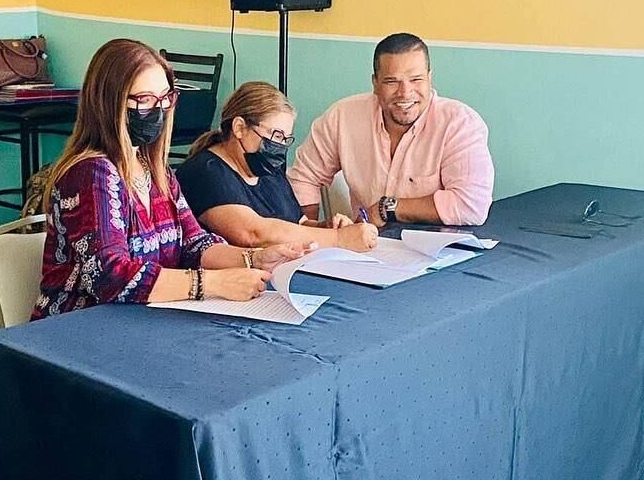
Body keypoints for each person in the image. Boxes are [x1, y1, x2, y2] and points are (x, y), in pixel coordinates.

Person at [32, 40, 313, 320]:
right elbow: (110, 277)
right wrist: (213, 283)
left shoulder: (156, 171)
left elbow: (194, 245)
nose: (159, 110)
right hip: (78, 327)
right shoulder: (92, 173)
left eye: (165, 98)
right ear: (109, 103)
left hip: (143, 321)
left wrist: (253, 258)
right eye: (145, 99)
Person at [288, 33, 495, 227]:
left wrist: (385, 209)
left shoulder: (459, 123)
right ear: (375, 84)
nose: (405, 93)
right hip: (368, 245)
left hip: (440, 246)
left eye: (416, 80)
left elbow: (472, 205)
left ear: (429, 78)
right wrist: (308, 233)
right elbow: (304, 177)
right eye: (391, 81)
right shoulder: (342, 117)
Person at [176, 81, 378, 251]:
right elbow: (253, 234)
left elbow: (298, 224)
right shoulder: (205, 172)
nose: (279, 146)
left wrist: (329, 227)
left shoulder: (267, 170)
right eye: (275, 135)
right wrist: (339, 239)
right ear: (239, 128)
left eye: (285, 139)